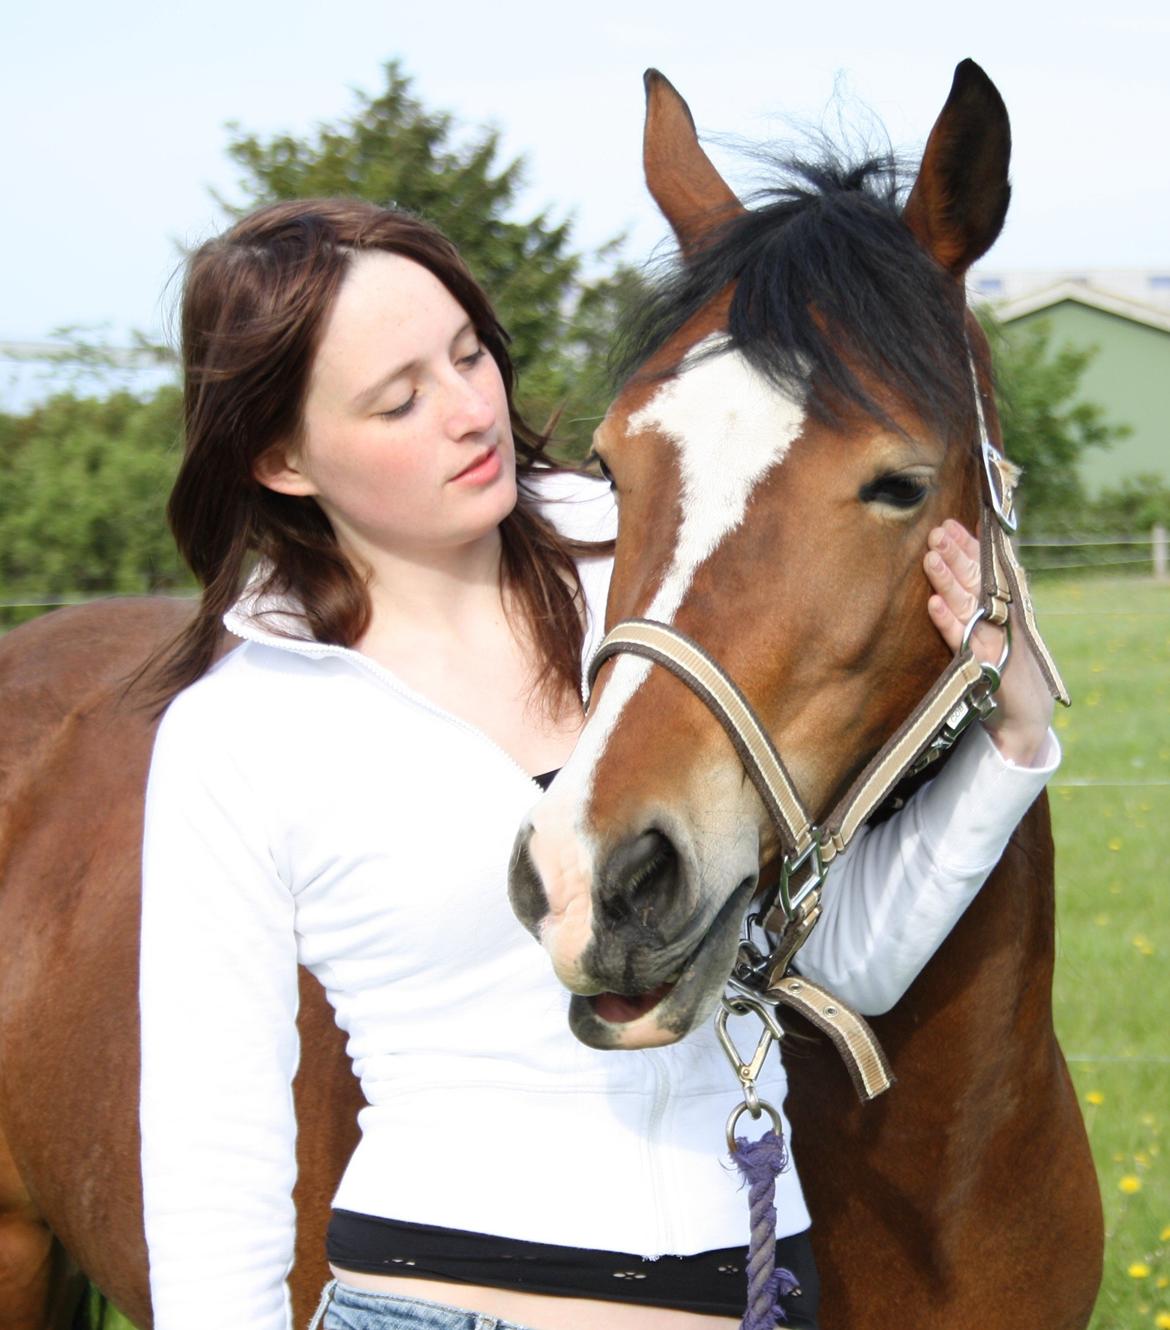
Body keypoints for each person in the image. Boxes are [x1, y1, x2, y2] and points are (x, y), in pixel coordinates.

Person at [138, 197, 1059, 1330]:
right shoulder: (240, 731)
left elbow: (836, 967)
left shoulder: (668, 599)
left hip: (745, 1297)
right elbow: (210, 1142)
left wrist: (1011, 738)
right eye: (399, 398)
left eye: (469, 352)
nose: (473, 411)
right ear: (282, 457)